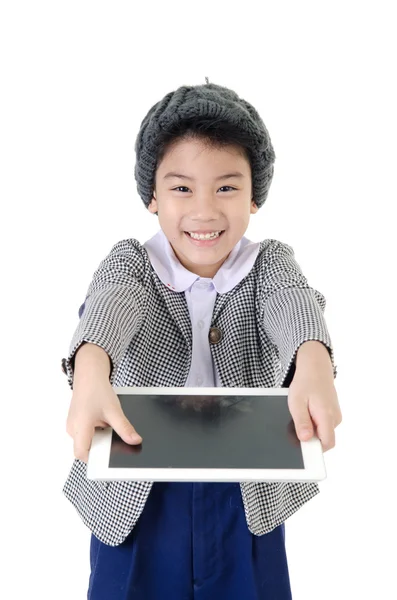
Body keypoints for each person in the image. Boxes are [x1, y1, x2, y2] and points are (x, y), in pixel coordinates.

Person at [62, 79, 342, 599]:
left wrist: (314, 361)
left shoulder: (269, 264)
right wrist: (91, 368)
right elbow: (109, 307)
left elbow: (294, 303)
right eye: (182, 187)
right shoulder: (132, 262)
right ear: (152, 195)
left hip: (244, 493)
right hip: (137, 494)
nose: (205, 211)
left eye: (227, 187)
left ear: (255, 195)